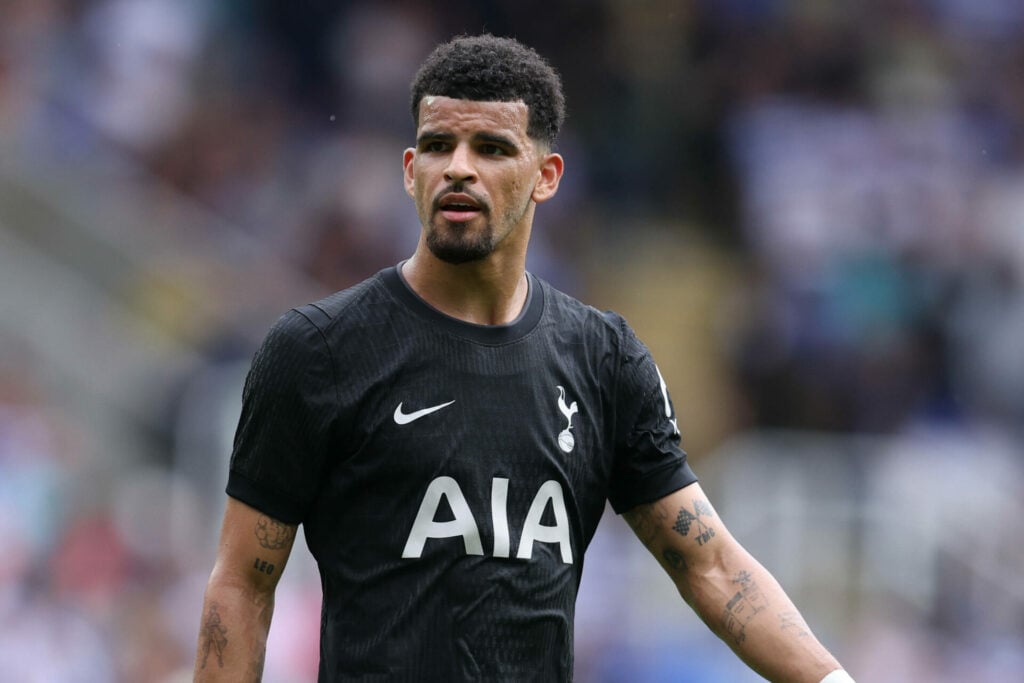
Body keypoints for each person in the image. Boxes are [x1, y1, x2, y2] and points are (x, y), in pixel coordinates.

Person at [193, 34, 855, 683]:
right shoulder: (316, 351)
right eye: (437, 145)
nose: (458, 166)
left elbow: (708, 564)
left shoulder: (604, 361)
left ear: (546, 177)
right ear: (409, 169)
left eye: (490, 147)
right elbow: (242, 585)